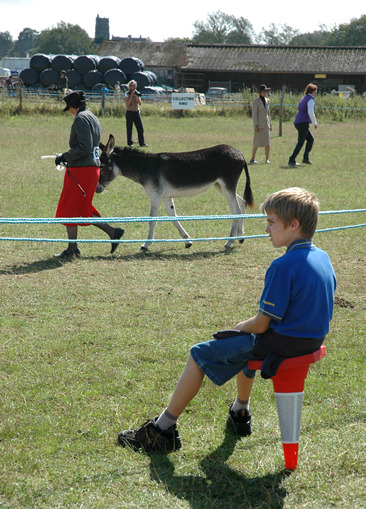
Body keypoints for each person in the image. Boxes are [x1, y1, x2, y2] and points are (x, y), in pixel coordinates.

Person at [117, 187, 337, 453]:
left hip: (281, 344)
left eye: (271, 223)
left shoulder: (283, 266)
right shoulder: (323, 257)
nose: (266, 229)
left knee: (199, 354)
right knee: (245, 348)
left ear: (293, 225)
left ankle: (161, 430)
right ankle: (239, 411)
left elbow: (261, 324)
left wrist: (240, 327)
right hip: (311, 343)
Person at [54, 90, 124, 258]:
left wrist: (64, 156)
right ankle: (112, 232)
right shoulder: (92, 117)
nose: (69, 112)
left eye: (69, 108)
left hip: (81, 170)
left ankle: (72, 250)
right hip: (91, 169)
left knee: (71, 208)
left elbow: (84, 147)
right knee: (79, 207)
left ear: (73, 106)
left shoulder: (80, 119)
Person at [288, 83, 318, 167]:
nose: (316, 93)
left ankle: (305, 158)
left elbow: (304, 108)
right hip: (303, 123)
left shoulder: (304, 98)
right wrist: (315, 123)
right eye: (315, 91)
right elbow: (310, 112)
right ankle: (292, 159)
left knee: (310, 139)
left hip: (298, 121)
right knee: (300, 142)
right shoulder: (311, 100)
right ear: (312, 91)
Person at [250, 84, 272, 164]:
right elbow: (254, 114)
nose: (264, 92)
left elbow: (268, 113)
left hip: (266, 124)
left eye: (265, 91)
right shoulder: (256, 101)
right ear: (260, 92)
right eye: (263, 91)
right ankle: (252, 158)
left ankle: (267, 159)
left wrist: (271, 124)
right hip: (259, 125)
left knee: (268, 143)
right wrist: (255, 125)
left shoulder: (267, 100)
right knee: (256, 143)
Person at [124, 79, 147, 147]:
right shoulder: (127, 93)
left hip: (136, 112)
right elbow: (128, 103)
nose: (135, 87)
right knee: (129, 128)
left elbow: (140, 103)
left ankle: (142, 142)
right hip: (129, 112)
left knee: (140, 128)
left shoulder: (137, 93)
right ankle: (130, 143)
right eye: (134, 86)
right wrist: (131, 96)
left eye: (135, 86)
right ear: (130, 86)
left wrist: (137, 97)